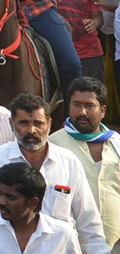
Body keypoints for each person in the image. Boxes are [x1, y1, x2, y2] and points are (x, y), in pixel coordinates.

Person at [0, 93, 106, 254]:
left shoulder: (68, 161)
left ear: (49, 124)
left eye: (38, 123)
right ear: (11, 124)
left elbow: (88, 219)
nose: (31, 130)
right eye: (24, 123)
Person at [48, 77, 120, 247]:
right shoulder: (52, 145)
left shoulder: (117, 143)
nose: (82, 112)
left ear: (102, 111)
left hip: (115, 242)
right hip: (71, 244)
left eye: (89, 106)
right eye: (76, 105)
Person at [0, 162, 83, 254]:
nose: (1, 202)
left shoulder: (63, 235)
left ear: (32, 203)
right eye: (0, 194)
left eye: (11, 197)